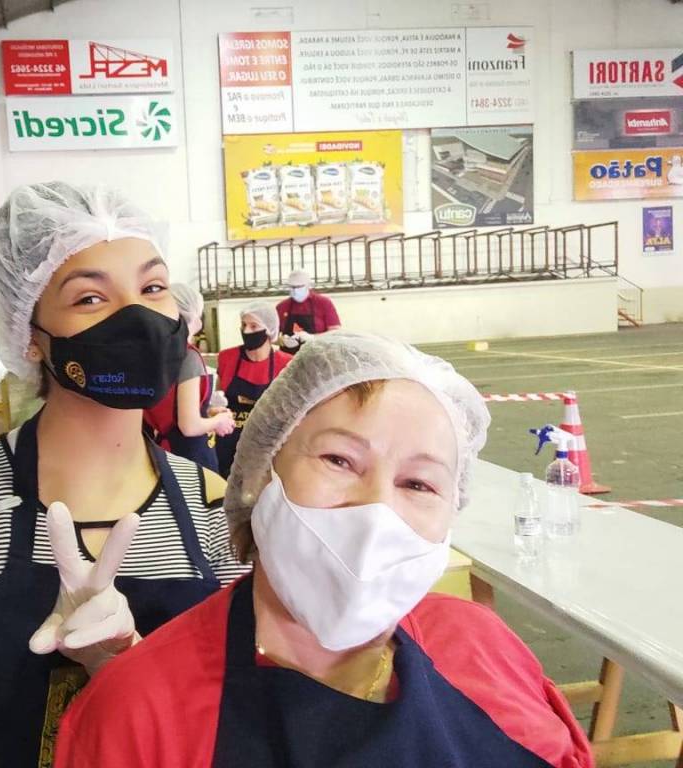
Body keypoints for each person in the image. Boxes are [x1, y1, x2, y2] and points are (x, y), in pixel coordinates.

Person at [54, 331, 594, 768]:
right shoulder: (139, 710)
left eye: (419, 484)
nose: (375, 510)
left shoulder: (482, 645)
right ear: (262, 472)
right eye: (339, 460)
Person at [0, 182, 250, 767]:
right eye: (90, 298)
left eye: (152, 288)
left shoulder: (214, 506)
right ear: (31, 336)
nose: (137, 317)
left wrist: (127, 662)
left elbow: (230, 715)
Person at [144, 283, 234, 472]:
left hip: (160, 450)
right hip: (189, 456)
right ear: (193, 317)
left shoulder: (153, 355)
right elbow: (189, 426)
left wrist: (206, 411)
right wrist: (219, 421)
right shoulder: (188, 357)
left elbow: (170, 409)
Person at [215, 304, 292, 477]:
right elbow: (218, 398)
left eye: (253, 326)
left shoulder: (286, 363)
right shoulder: (227, 357)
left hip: (266, 445)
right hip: (228, 440)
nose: (246, 331)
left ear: (269, 330)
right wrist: (215, 405)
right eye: (243, 325)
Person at [277, 268, 341, 351]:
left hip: (318, 355)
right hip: (288, 357)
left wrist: (313, 338)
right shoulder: (282, 306)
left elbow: (336, 333)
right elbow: (270, 336)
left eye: (299, 286)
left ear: (308, 285)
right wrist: (281, 341)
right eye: (292, 287)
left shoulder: (323, 303)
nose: (295, 290)